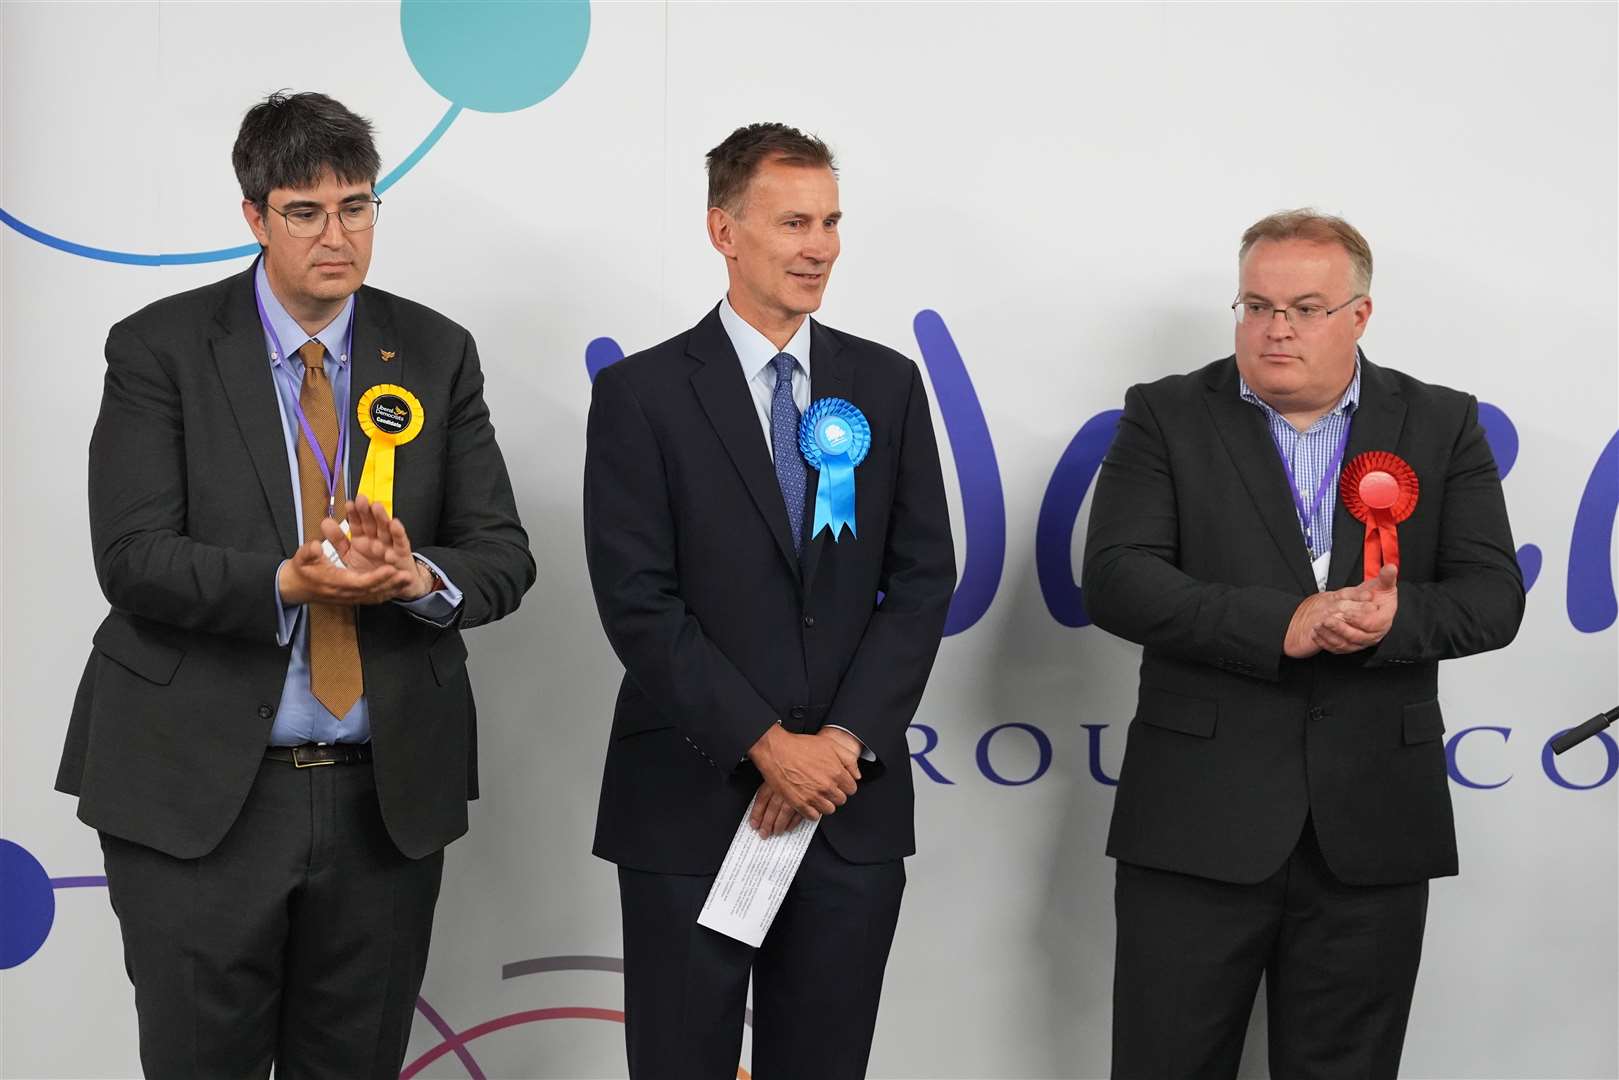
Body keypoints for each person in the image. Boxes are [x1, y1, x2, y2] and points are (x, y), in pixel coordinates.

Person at [56, 91, 534, 1078]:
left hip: (381, 806)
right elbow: (132, 556)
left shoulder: (434, 352)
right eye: (305, 211)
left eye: (356, 206)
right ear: (255, 217)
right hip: (199, 804)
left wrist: (415, 576)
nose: (337, 235)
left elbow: (499, 554)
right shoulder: (160, 349)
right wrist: (286, 579)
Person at [1082, 209, 1524, 1078]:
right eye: (1254, 304)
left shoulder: (1441, 424)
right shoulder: (1164, 415)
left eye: (1304, 307)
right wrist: (1280, 624)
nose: (1274, 327)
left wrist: (1390, 621)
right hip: (1195, 823)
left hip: (1372, 827)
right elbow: (1118, 578)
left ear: (1359, 315)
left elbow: (1491, 597)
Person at [583, 122, 957, 1079]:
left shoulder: (887, 384)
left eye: (831, 221)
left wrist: (837, 745)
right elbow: (638, 602)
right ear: (724, 229)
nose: (819, 246)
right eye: (794, 221)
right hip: (688, 805)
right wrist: (765, 743)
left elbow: (922, 581)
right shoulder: (642, 394)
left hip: (847, 805)